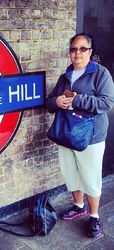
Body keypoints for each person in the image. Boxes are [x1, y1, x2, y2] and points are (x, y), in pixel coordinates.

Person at [46, 34, 114, 237]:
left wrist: (78, 100)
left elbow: (106, 103)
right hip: (66, 134)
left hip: (91, 137)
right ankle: (78, 205)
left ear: (90, 52)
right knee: (71, 173)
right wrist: (57, 102)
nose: (77, 53)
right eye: (74, 49)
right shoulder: (65, 76)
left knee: (90, 178)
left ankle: (94, 217)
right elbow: (49, 103)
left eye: (82, 49)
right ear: (69, 53)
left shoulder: (101, 74)